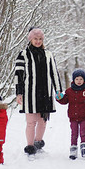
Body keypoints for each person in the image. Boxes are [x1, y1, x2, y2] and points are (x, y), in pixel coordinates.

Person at [15, 27, 63, 158]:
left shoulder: (48, 54)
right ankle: (30, 147)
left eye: (40, 39)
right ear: (30, 39)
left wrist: (58, 90)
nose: (38, 41)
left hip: (45, 93)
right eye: (35, 39)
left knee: (43, 121)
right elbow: (19, 74)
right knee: (31, 122)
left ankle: (38, 143)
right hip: (29, 93)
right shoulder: (23, 54)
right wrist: (19, 93)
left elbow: (54, 73)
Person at [56, 68, 85, 160]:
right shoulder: (69, 91)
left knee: (83, 132)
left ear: (84, 80)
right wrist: (59, 98)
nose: (79, 81)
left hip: (84, 116)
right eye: (77, 79)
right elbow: (64, 101)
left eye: (81, 79)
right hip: (73, 116)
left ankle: (84, 146)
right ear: (73, 80)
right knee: (74, 133)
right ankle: (73, 148)